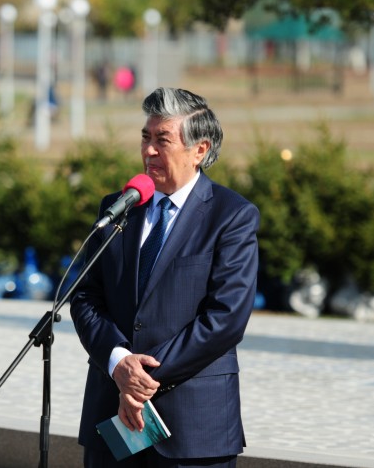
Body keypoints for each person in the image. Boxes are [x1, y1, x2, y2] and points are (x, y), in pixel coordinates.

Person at [70, 87, 260, 468]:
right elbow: (86, 296)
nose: (149, 151)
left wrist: (140, 379)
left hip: (193, 428)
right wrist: (118, 362)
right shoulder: (119, 207)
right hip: (112, 419)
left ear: (199, 150)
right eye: (146, 137)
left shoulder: (231, 216)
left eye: (162, 140)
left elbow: (226, 317)